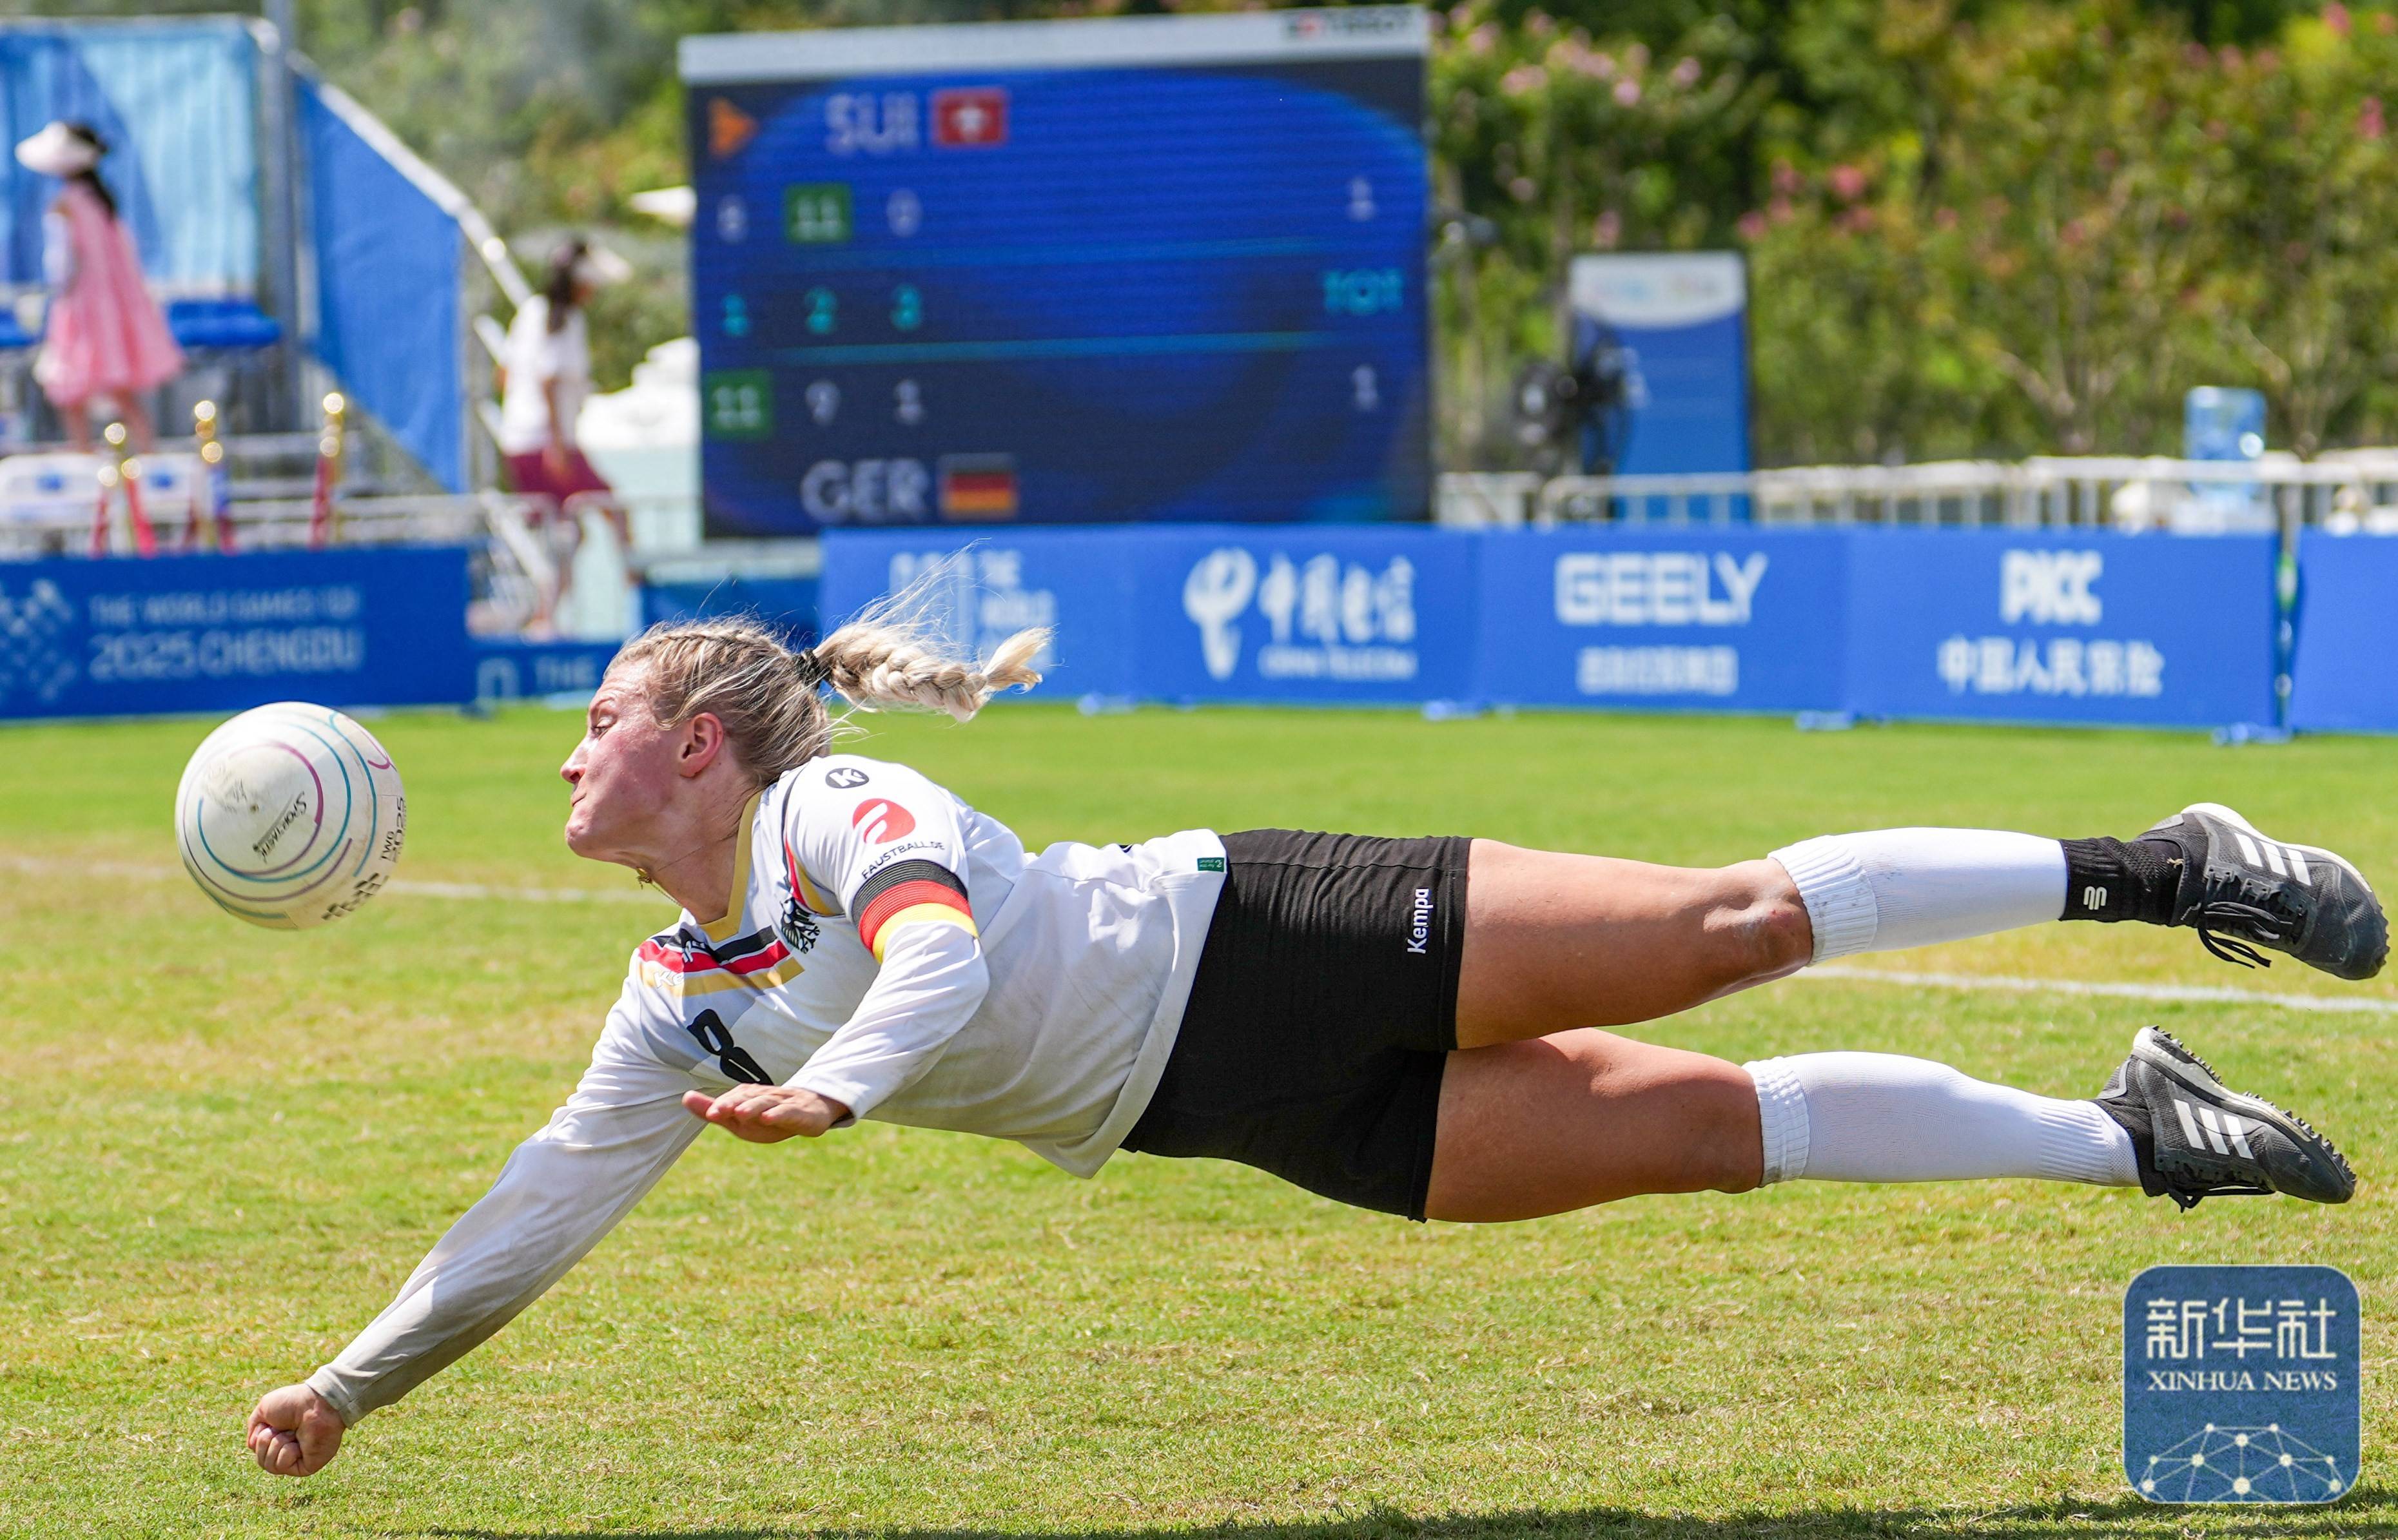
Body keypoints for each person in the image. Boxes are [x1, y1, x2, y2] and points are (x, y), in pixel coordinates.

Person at [242, 607, 2383, 1478]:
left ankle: (2165, 860)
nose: (560, 764)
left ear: (694, 741)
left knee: (1724, 928)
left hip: (1277, 935)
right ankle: (2137, 1132)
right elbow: (543, 1198)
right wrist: (349, 1379)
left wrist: (848, 1082)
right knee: (1718, 1134)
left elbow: (937, 965)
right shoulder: (673, 991)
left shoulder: (837, 806)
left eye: (592, 728)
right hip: (1228, 1108)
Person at [17, 121, 182, 453]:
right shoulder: (103, 204)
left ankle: (83, 451)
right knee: (119, 390)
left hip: (81, 305)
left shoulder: (66, 206)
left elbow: (60, 265)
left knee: (71, 390)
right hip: (112, 306)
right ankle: (147, 450)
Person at [494, 235, 633, 631]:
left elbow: (504, 374)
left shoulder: (530, 312)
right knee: (611, 511)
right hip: (546, 442)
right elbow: (549, 381)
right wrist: (558, 443)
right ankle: (639, 595)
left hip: (519, 440)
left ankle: (546, 619)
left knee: (568, 532)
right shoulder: (565, 319)